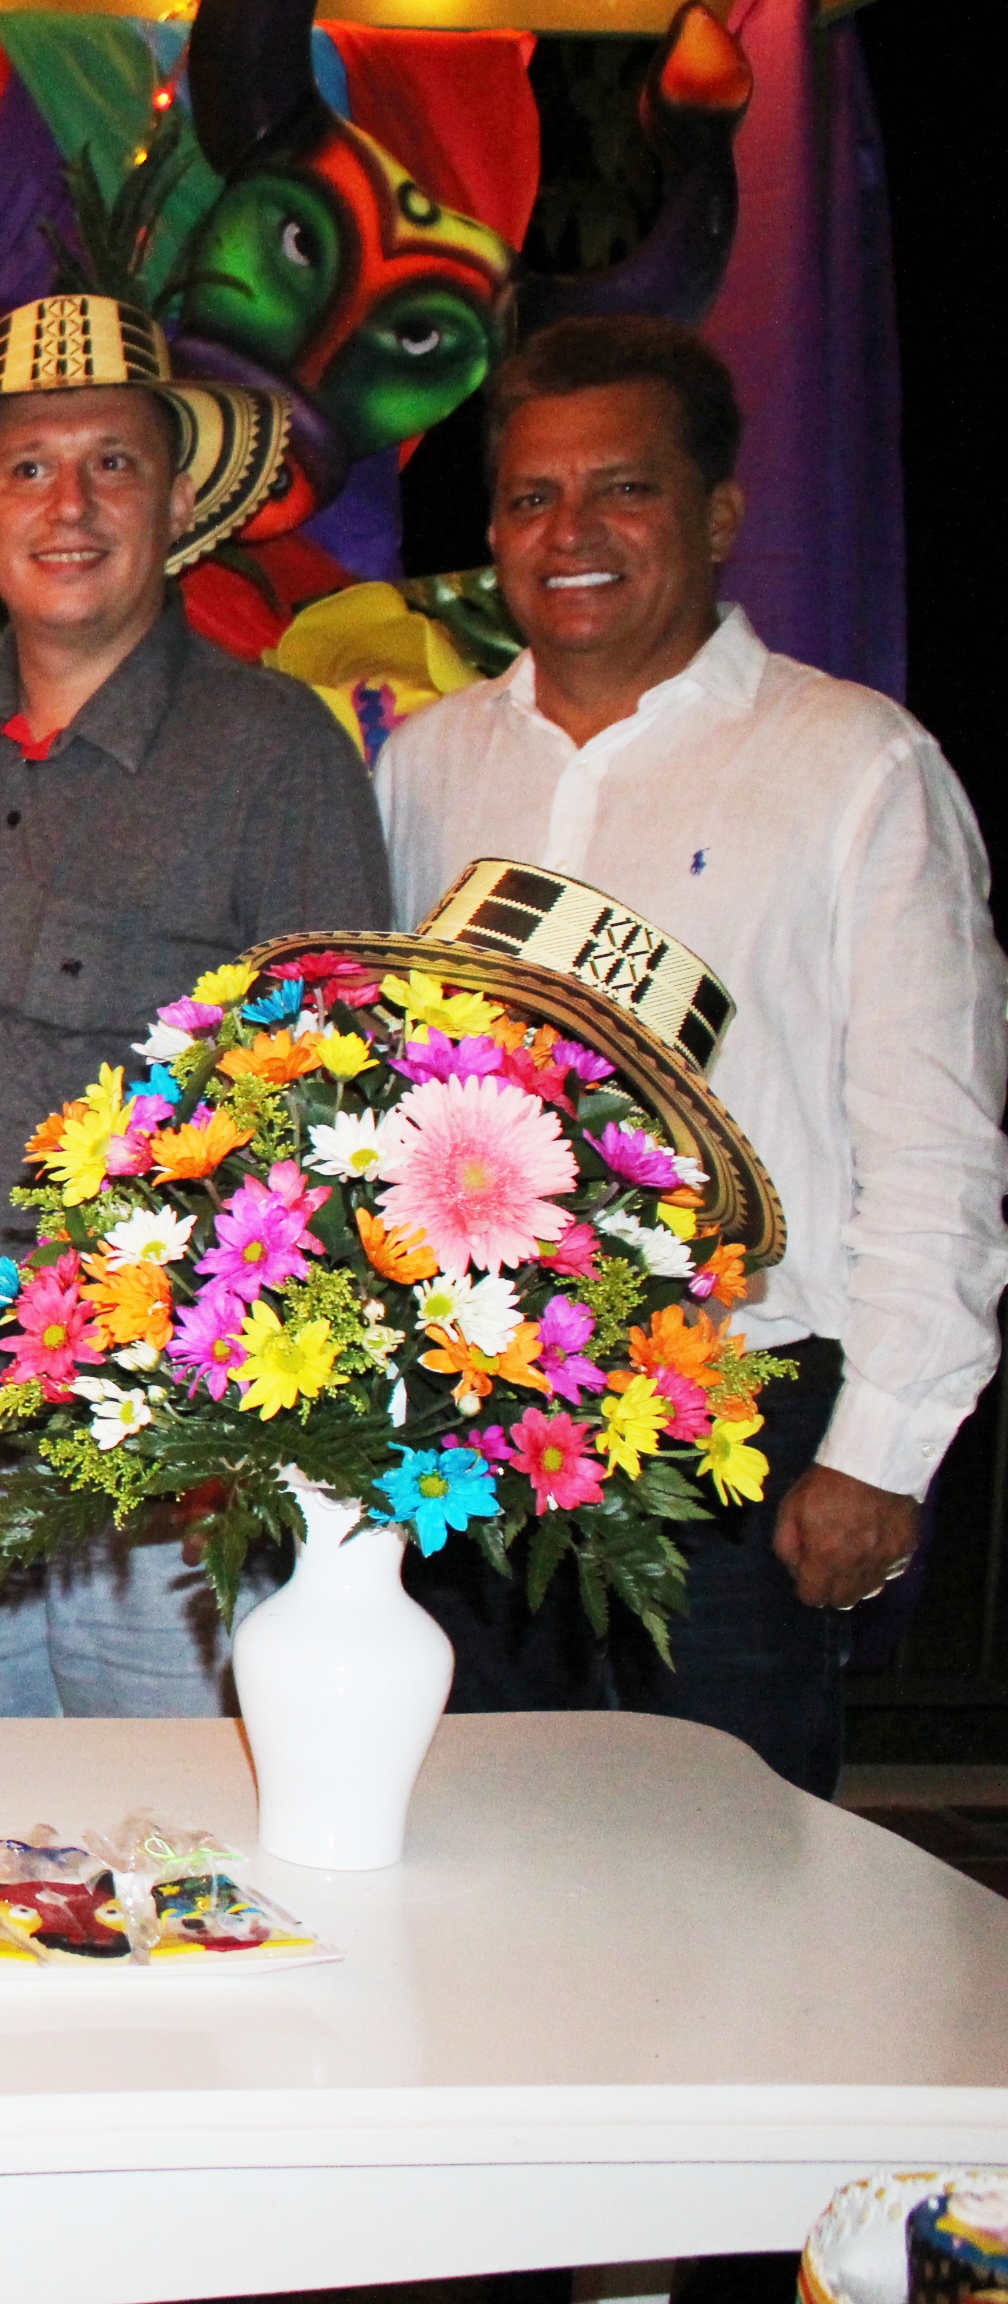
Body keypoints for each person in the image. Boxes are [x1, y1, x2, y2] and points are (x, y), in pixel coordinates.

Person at [376, 317, 1008, 1799]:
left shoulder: (856, 766)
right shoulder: (430, 762)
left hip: (739, 1432)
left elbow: (936, 1140)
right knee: (475, 1848)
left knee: (730, 1867)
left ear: (719, 516)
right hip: (478, 1416)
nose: (573, 533)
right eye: (533, 497)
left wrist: (882, 1452)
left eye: (626, 488)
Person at [0, 295, 394, 1716]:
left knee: (184, 1839)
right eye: (29, 467)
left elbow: (345, 1109)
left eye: (114, 463)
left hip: (176, 1473)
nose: (71, 505)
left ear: (177, 501)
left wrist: (250, 1437)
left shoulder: (276, 753)